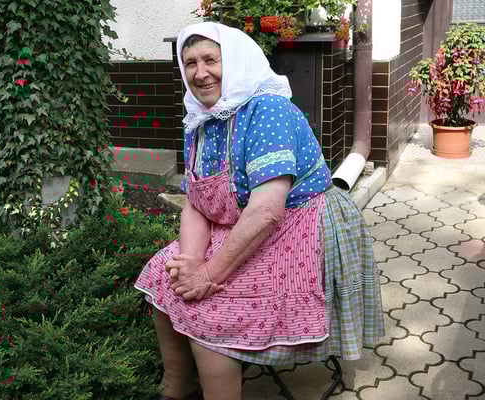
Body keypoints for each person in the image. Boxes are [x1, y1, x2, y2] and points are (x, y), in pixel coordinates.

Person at [133, 21, 384, 400]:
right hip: (240, 223)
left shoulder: (266, 110)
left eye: (210, 60)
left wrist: (208, 275)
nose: (200, 73)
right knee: (164, 272)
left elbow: (267, 211)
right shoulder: (199, 119)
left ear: (234, 61)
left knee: (212, 308)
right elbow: (196, 203)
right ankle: (178, 384)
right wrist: (192, 263)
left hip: (299, 225)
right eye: (190, 63)